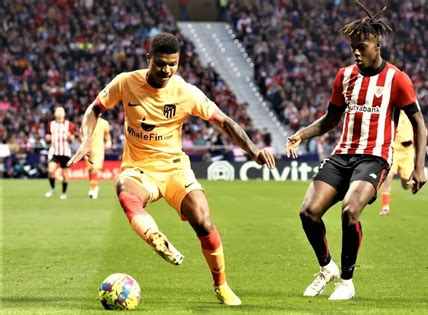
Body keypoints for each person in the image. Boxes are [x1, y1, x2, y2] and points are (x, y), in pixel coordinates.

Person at [67, 33, 275, 306]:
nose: (166, 70)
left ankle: (221, 285)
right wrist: (86, 139)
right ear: (148, 59)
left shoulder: (185, 92)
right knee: (124, 190)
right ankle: (155, 237)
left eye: (172, 64)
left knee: (204, 220)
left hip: (175, 168)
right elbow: (95, 109)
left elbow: (224, 122)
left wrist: (253, 151)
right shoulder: (126, 82)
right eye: (161, 63)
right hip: (139, 167)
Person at [286, 1, 427, 301]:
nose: (356, 52)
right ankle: (327, 268)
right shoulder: (344, 76)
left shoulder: (397, 79)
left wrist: (419, 167)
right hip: (342, 155)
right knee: (308, 212)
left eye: (362, 47)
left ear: (377, 44)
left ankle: (347, 281)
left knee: (351, 210)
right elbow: (331, 119)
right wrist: (302, 133)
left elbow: (420, 125)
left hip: (374, 156)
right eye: (353, 47)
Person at [379, 111, 414, 216]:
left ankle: (414, 184)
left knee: (405, 184)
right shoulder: (391, 114)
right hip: (394, 150)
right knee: (388, 178)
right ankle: (385, 208)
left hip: (407, 152)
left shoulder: (411, 113)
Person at [45, 106, 75, 200]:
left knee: (65, 174)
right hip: (54, 151)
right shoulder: (51, 124)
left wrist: (69, 137)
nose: (58, 115)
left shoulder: (69, 124)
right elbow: (47, 137)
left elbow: (72, 140)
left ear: (63, 114)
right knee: (50, 171)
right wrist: (47, 139)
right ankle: (53, 188)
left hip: (65, 152)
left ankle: (63, 193)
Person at [86, 117, 112, 199]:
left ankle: (92, 189)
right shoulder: (86, 122)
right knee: (90, 170)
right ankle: (94, 186)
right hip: (88, 150)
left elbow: (107, 134)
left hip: (99, 150)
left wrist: (108, 141)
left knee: (95, 170)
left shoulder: (104, 123)